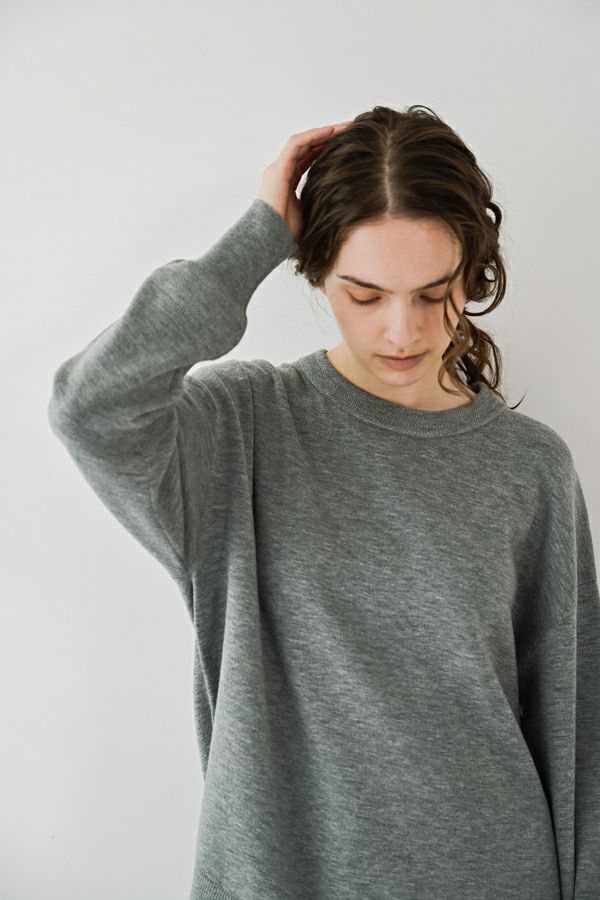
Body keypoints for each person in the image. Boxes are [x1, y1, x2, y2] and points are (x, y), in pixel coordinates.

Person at [48, 105, 599, 900]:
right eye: (365, 294)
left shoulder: (529, 466)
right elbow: (89, 407)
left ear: (473, 273)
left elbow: (577, 734)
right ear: (313, 271)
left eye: (435, 293)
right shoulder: (240, 430)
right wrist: (256, 239)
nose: (403, 331)